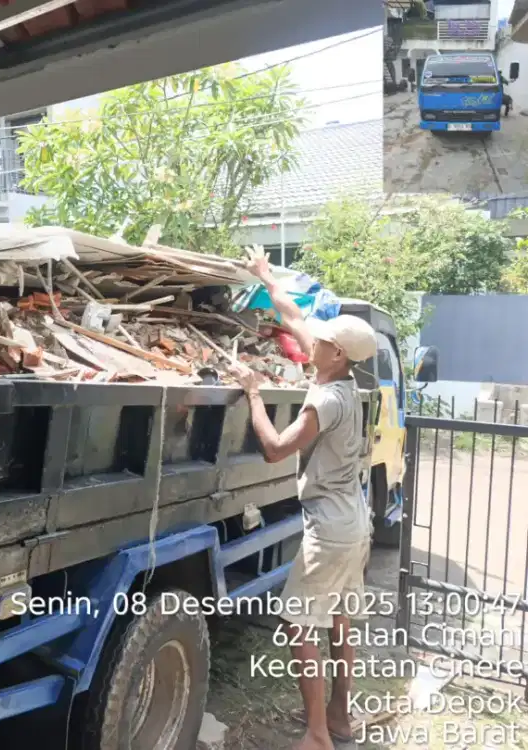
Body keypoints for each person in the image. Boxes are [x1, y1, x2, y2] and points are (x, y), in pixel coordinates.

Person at [229, 249, 377, 750]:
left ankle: (317, 736)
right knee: (338, 619)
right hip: (354, 520)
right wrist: (264, 273)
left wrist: (252, 392)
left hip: (331, 528)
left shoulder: (327, 400)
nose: (314, 341)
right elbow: (293, 316)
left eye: (325, 341)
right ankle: (339, 716)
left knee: (298, 625)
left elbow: (274, 450)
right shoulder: (342, 374)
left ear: (338, 355)